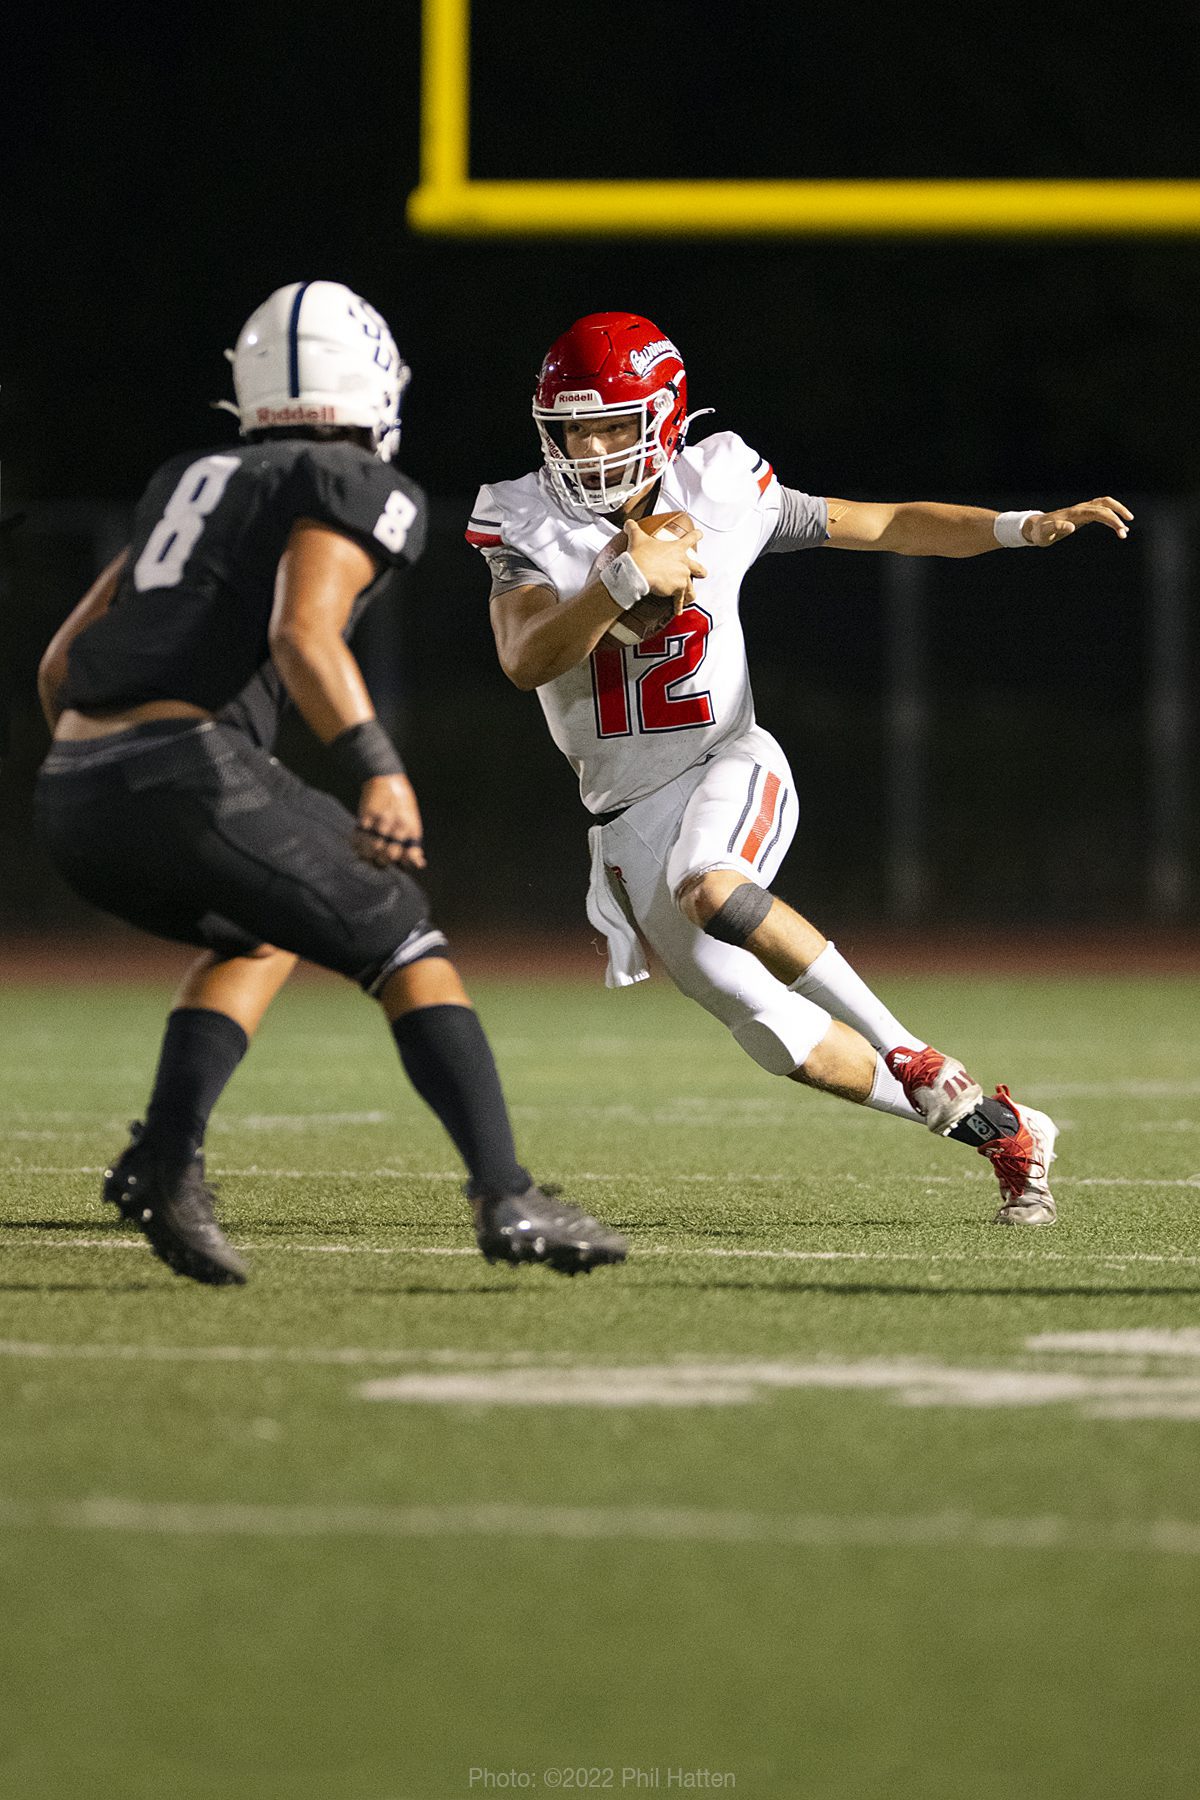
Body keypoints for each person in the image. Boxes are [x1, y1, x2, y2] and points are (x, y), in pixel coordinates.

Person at [469, 311, 1133, 1226]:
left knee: (711, 883)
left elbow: (887, 523)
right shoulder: (522, 516)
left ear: (663, 415)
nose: (591, 446)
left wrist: (1021, 526)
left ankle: (911, 1049)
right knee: (784, 1041)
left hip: (726, 761)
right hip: (624, 813)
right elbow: (525, 658)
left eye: (614, 423)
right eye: (575, 428)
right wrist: (620, 580)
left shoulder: (721, 481)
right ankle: (1005, 1128)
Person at [35, 281, 626, 1286]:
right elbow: (300, 633)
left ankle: (160, 1160)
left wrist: (117, 770)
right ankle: (507, 1196)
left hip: (71, 789)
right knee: (405, 934)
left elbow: (61, 663)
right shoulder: (355, 480)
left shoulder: (191, 476)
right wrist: (377, 770)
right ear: (374, 384)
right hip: (181, 768)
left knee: (261, 927)